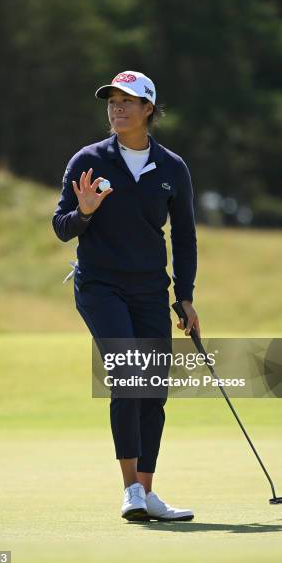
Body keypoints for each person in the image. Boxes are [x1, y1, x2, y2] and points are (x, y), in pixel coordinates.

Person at [52, 70, 199, 522]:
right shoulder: (88, 160)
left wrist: (185, 296)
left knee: (154, 389)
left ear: (148, 110)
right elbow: (62, 227)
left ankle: (149, 493)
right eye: (112, 100)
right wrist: (84, 213)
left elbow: (186, 238)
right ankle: (130, 489)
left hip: (150, 288)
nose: (117, 108)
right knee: (129, 376)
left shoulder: (172, 167)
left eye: (128, 101)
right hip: (99, 286)